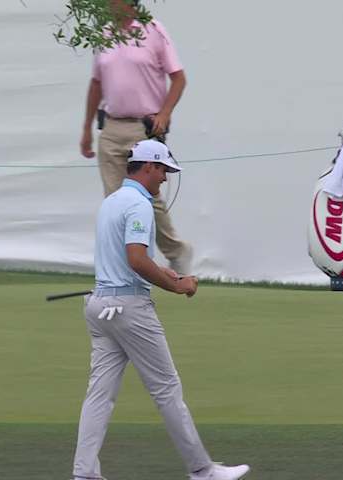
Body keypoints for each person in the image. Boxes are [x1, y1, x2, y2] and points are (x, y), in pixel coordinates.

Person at [72, 140, 250, 480]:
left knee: (99, 396)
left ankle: (84, 474)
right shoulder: (139, 205)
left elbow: (130, 258)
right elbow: (136, 260)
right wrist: (177, 285)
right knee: (167, 390)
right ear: (150, 167)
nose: (166, 179)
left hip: (100, 307)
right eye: (164, 171)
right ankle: (202, 470)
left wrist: (165, 272)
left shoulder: (112, 201)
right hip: (129, 310)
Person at [79, 0, 194, 275]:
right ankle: (122, 264)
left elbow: (178, 78)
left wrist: (165, 114)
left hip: (144, 128)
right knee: (115, 200)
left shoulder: (153, 30)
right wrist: (86, 128)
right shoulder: (104, 33)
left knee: (147, 199)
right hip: (111, 127)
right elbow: (96, 83)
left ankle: (175, 250)